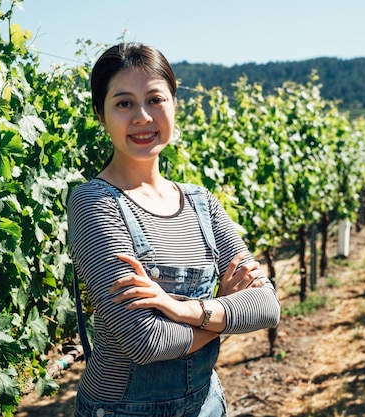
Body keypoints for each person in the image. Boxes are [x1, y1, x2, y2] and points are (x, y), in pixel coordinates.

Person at [67, 42, 280, 417]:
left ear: (174, 104)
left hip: (206, 403)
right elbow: (144, 341)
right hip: (123, 410)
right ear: (100, 115)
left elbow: (266, 306)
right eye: (123, 103)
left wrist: (173, 308)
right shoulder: (95, 203)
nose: (143, 117)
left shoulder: (202, 203)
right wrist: (221, 313)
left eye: (155, 99)